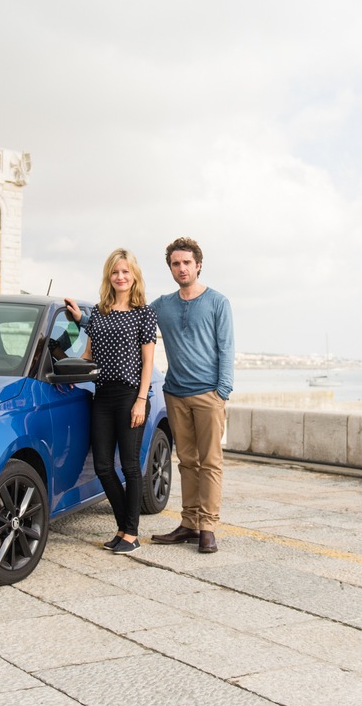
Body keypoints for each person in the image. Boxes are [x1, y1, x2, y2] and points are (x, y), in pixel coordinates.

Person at [64, 249, 158, 555]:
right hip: (102, 395)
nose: (120, 277)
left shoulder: (144, 313)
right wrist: (63, 364)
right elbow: (89, 356)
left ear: (134, 276)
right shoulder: (101, 314)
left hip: (131, 395)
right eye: (115, 272)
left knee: (130, 466)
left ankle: (131, 533)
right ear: (109, 276)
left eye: (126, 272)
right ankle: (124, 527)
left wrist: (141, 400)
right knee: (103, 466)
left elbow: (147, 363)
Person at [148, 237, 233, 553]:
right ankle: (188, 523)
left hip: (208, 395)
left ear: (198, 265)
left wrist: (221, 392)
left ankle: (207, 527)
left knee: (210, 462)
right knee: (186, 461)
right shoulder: (162, 304)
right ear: (170, 267)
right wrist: (84, 317)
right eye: (175, 263)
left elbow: (226, 348)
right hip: (175, 394)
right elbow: (128, 320)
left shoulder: (217, 302)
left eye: (186, 263)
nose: (181, 268)